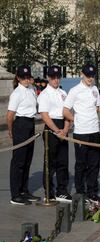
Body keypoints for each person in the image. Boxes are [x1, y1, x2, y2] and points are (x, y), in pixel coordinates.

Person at [63, 64, 100, 202]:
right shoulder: (75, 90)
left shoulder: (95, 89)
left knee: (94, 163)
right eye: (87, 76)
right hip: (81, 132)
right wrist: (77, 120)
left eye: (92, 76)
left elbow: (96, 107)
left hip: (94, 131)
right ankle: (80, 191)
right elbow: (66, 110)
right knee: (81, 163)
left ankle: (92, 191)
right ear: (82, 74)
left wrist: (90, 118)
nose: (90, 78)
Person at [7, 65, 41, 205]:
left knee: (27, 159)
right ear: (18, 78)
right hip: (20, 124)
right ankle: (15, 194)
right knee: (18, 161)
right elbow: (10, 115)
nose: (26, 80)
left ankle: (24, 190)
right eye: (23, 78)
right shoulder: (16, 93)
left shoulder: (32, 89)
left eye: (28, 77)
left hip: (30, 124)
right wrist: (11, 130)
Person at [37, 65, 71, 202]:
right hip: (51, 128)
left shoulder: (63, 93)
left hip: (63, 127)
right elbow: (44, 115)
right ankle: (49, 191)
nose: (56, 80)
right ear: (48, 78)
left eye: (58, 77)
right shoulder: (44, 94)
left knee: (63, 161)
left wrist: (66, 129)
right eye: (53, 77)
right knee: (50, 162)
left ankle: (61, 190)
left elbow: (68, 112)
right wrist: (57, 130)